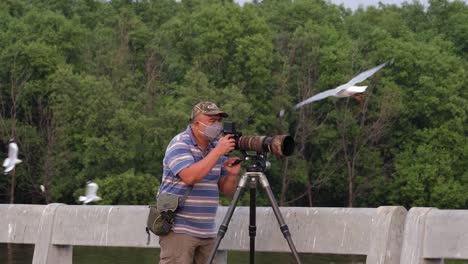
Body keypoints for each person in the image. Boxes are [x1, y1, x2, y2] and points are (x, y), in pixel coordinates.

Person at [158, 101, 241, 264]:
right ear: (196, 124)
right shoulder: (180, 143)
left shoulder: (215, 148)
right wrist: (218, 152)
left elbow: (227, 190)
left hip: (207, 231)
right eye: (212, 121)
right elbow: (190, 176)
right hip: (179, 230)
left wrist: (231, 176)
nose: (217, 125)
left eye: (218, 121)